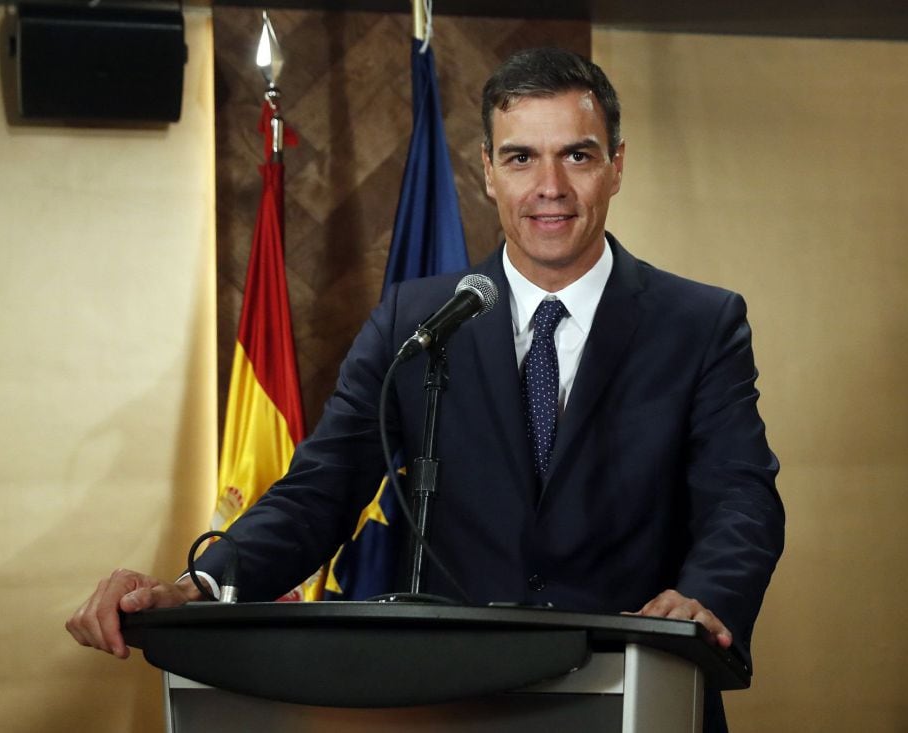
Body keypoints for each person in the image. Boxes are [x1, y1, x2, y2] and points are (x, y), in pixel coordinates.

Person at [67, 47, 783, 732]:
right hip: (456, 703)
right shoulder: (419, 320)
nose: (550, 188)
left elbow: (742, 496)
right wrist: (198, 585)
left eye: (578, 154)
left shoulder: (699, 323)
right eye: (521, 157)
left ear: (616, 166)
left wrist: (706, 598)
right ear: (486, 172)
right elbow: (321, 489)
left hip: (639, 694)